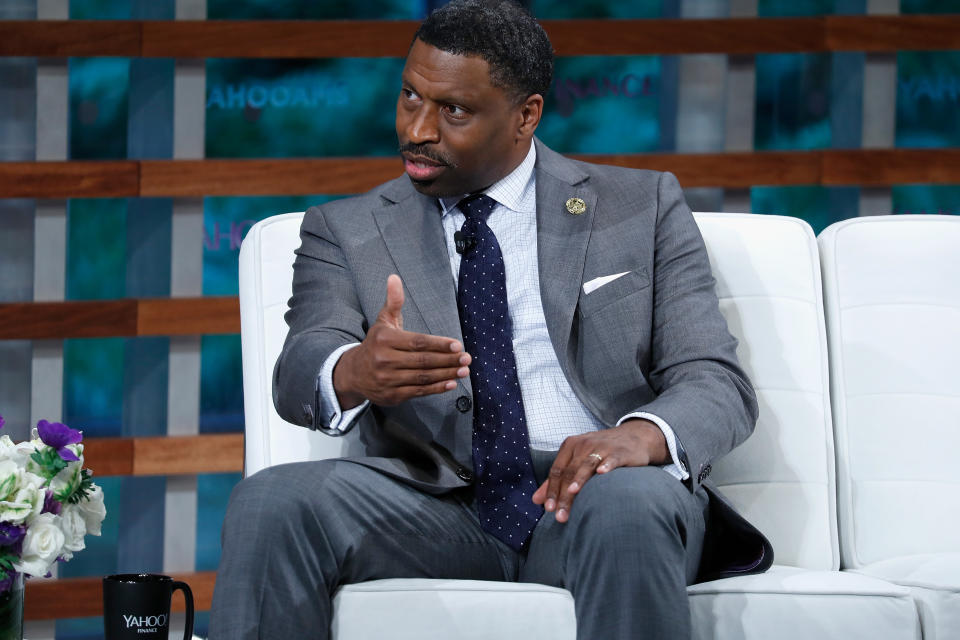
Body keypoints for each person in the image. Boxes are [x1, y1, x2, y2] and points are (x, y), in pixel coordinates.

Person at [209, 1, 772, 638]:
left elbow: (714, 379)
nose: (417, 129)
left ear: (525, 115)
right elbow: (300, 368)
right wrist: (354, 372)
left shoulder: (640, 207)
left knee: (629, 502)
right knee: (273, 501)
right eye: (409, 97)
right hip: (434, 504)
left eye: (453, 110)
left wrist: (640, 436)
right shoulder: (346, 230)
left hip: (596, 492)